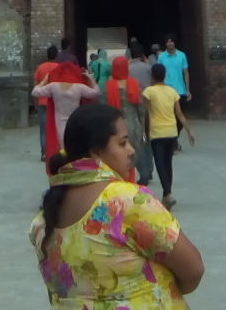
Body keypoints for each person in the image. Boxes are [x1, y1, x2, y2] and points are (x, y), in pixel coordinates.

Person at [29, 103, 204, 308]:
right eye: (122, 143)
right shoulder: (125, 202)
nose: (130, 151)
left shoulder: (42, 221)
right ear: (96, 152)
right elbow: (193, 269)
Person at [143, 62, 195, 208]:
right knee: (168, 164)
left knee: (160, 164)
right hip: (171, 132)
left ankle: (168, 194)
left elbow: (146, 114)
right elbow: (179, 113)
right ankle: (167, 195)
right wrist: (189, 130)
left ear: (152, 76)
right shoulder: (172, 92)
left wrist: (144, 132)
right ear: (165, 76)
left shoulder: (148, 92)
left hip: (157, 132)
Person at [33, 60, 100, 173]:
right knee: (75, 149)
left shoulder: (53, 86)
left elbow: (35, 92)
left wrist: (44, 80)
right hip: (75, 123)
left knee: (62, 149)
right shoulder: (78, 87)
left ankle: (62, 172)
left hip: (59, 121)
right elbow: (96, 93)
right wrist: (90, 79)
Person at [106, 54, 152, 187]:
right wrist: (143, 128)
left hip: (115, 127)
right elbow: (141, 109)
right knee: (133, 154)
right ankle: (134, 179)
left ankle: (121, 183)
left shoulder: (109, 86)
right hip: (134, 125)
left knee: (118, 156)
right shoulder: (133, 84)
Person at [158, 36, 190, 151]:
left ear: (175, 43)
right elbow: (159, 73)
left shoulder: (182, 55)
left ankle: (174, 139)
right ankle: (172, 142)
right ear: (165, 44)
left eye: (172, 41)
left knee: (180, 118)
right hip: (166, 90)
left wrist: (188, 90)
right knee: (169, 117)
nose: (170, 43)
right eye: (168, 41)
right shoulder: (161, 57)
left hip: (180, 90)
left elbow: (185, 73)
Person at [34, 44, 59, 160]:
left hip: (42, 102)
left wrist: (35, 102)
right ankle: (55, 150)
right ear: (56, 55)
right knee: (55, 127)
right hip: (55, 102)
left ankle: (44, 152)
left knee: (43, 128)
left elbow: (36, 86)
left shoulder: (40, 68)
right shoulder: (59, 68)